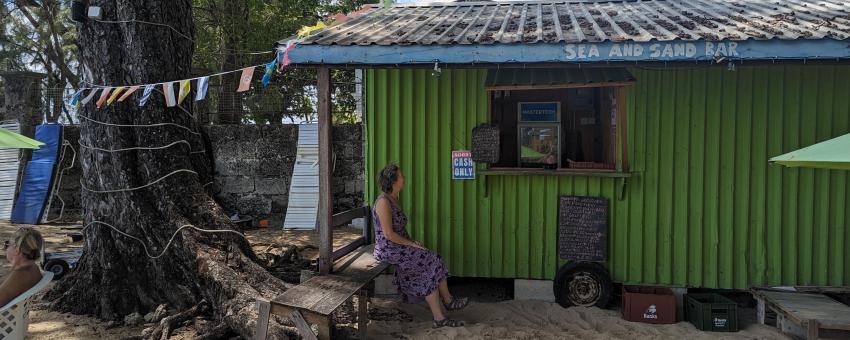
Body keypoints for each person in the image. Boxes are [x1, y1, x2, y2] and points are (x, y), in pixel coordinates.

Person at [373, 162, 469, 328]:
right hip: (388, 249)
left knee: (432, 259)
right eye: (401, 176)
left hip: (399, 245)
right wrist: (411, 244)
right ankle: (446, 305)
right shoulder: (383, 202)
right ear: (394, 181)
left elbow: (400, 230)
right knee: (430, 261)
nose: (404, 179)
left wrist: (413, 243)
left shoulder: (394, 198)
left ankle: (444, 308)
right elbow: (388, 234)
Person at [0, 227, 44, 307]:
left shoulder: (20, 275)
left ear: (17, 250)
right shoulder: (33, 268)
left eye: (7, 244)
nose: (5, 248)